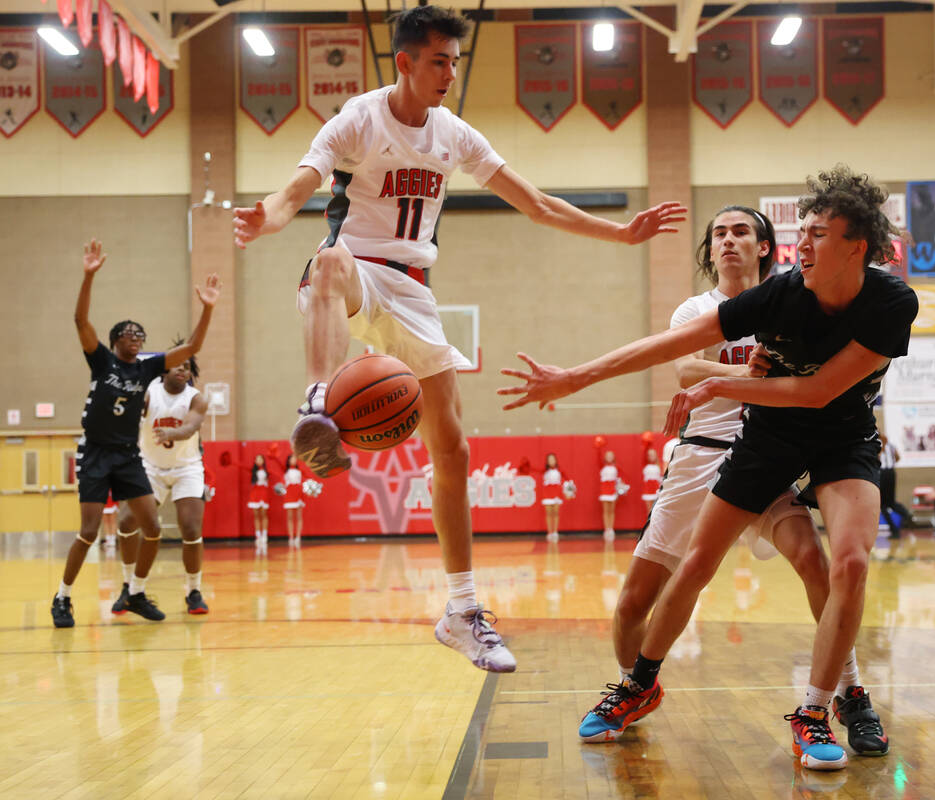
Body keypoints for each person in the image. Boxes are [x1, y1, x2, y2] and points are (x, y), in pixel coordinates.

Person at [232, 5, 684, 673]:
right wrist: (267, 217)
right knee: (325, 261)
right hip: (354, 269)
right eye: (439, 60)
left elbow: (535, 203)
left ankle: (461, 609)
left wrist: (620, 233)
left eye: (455, 61)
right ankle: (315, 405)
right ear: (406, 62)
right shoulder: (359, 117)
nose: (450, 72)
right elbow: (298, 184)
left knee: (452, 444)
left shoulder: (455, 134)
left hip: (414, 290)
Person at [500, 165, 918, 771]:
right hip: (762, 440)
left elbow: (820, 392)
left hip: (839, 438)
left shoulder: (891, 301)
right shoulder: (775, 298)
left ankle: (825, 706)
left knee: (845, 563)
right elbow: (672, 347)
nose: (803, 243)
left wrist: (721, 381)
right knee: (693, 564)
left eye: (818, 234)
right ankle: (639, 681)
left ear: (857, 245)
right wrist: (574, 376)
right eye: (801, 232)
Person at [575, 206, 889, 761]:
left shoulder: (797, 301)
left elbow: (821, 381)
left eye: (741, 231)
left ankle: (848, 691)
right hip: (701, 459)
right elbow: (684, 371)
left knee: (821, 566)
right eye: (718, 233)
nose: (728, 241)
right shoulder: (698, 309)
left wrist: (769, 377)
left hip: (769, 453)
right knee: (632, 606)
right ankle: (636, 684)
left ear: (766, 246)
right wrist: (749, 372)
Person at [52, 239, 220, 628]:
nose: (136, 335)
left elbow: (193, 345)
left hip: (127, 455)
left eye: (140, 332)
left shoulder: (147, 369)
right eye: (128, 332)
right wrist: (88, 276)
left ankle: (137, 591)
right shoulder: (102, 361)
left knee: (154, 528)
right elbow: (80, 322)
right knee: (91, 531)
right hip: (95, 453)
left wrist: (208, 308)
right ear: (115, 341)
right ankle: (62, 598)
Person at [113, 351, 211, 616]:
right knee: (125, 523)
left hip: (186, 467)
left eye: (187, 367)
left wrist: (172, 433)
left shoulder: (196, 398)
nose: (182, 369)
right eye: (177, 365)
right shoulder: (149, 392)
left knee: (190, 528)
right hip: (149, 467)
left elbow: (190, 427)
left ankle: (193, 591)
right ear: (164, 369)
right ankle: (129, 586)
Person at [878, 434, 902, 539]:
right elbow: (898, 458)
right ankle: (907, 516)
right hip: (891, 473)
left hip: (884, 474)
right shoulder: (891, 445)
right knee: (890, 503)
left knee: (884, 505)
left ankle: (895, 529)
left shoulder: (879, 444)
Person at [248, 453, 271, 551]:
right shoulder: (253, 471)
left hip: (264, 493)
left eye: (260, 459)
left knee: (264, 515)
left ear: (263, 461)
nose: (259, 461)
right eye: (257, 459)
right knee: (256, 515)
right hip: (255, 494)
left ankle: (265, 535)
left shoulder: (267, 471)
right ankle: (258, 535)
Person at [282, 454, 305, 547]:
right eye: (291, 458)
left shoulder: (300, 471)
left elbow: (306, 480)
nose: (294, 460)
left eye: (295, 458)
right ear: (288, 461)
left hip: (298, 494)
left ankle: (298, 536)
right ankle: (291, 537)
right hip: (289, 495)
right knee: (290, 517)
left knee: (299, 516)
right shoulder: (285, 472)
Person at [541, 452, 565, 543]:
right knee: (548, 513)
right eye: (549, 459)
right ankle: (549, 532)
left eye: (553, 459)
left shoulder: (559, 471)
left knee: (555, 512)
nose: (551, 461)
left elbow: (566, 479)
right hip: (547, 494)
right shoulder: (544, 471)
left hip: (556, 494)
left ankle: (555, 531)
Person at [598, 451, 620, 542]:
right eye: (607, 456)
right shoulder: (602, 466)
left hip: (613, 491)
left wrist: (619, 490)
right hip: (604, 491)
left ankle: (611, 529)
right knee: (606, 511)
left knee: (612, 511)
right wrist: (599, 448)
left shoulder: (616, 467)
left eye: (611, 456)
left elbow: (619, 479)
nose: (609, 457)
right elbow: (597, 457)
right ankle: (606, 529)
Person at [640, 448, 661, 516]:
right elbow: (642, 456)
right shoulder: (645, 465)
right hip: (648, 490)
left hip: (656, 490)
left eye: (653, 455)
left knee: (657, 510)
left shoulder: (659, 466)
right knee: (649, 511)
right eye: (650, 455)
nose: (652, 457)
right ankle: (649, 526)